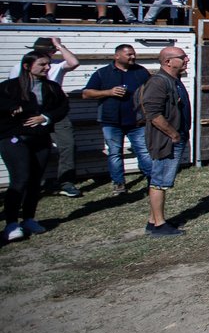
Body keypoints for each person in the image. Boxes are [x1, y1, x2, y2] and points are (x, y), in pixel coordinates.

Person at [0, 52, 69, 241]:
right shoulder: (10, 88)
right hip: (16, 139)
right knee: (20, 179)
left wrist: (45, 117)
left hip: (40, 138)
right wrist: (13, 110)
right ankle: (11, 223)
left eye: (48, 64)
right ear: (27, 66)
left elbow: (62, 107)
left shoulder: (51, 87)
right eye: (42, 64)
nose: (47, 68)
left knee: (35, 181)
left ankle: (29, 218)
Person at [9, 38, 82, 197]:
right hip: (30, 113)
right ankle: (32, 183)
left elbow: (74, 62)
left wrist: (59, 46)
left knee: (67, 145)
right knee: (31, 148)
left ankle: (65, 181)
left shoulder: (55, 66)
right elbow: (12, 90)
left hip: (54, 112)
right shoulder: (19, 68)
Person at [81, 44, 154, 194]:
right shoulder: (103, 73)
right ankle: (119, 184)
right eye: (129, 55)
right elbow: (86, 93)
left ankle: (152, 182)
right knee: (115, 153)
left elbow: (153, 89)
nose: (133, 57)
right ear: (117, 56)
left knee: (144, 151)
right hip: (111, 121)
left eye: (134, 54)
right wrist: (109, 92)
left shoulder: (140, 72)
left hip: (137, 121)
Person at [139, 46, 191, 236]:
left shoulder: (173, 80)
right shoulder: (159, 82)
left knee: (161, 179)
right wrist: (173, 134)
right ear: (168, 61)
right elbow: (152, 113)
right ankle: (160, 225)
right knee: (160, 181)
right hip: (165, 140)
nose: (186, 60)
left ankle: (153, 221)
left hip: (172, 137)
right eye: (182, 57)